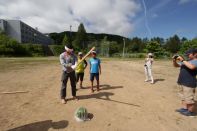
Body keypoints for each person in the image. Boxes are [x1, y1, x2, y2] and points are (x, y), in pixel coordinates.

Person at [173, 48, 197, 117]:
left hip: (189, 82)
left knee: (189, 98)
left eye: (189, 54)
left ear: (195, 54)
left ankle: (191, 112)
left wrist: (183, 60)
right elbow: (176, 66)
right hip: (182, 81)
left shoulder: (195, 61)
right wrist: (174, 61)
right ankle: (184, 109)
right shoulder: (188, 61)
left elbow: (192, 67)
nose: (187, 55)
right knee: (183, 97)